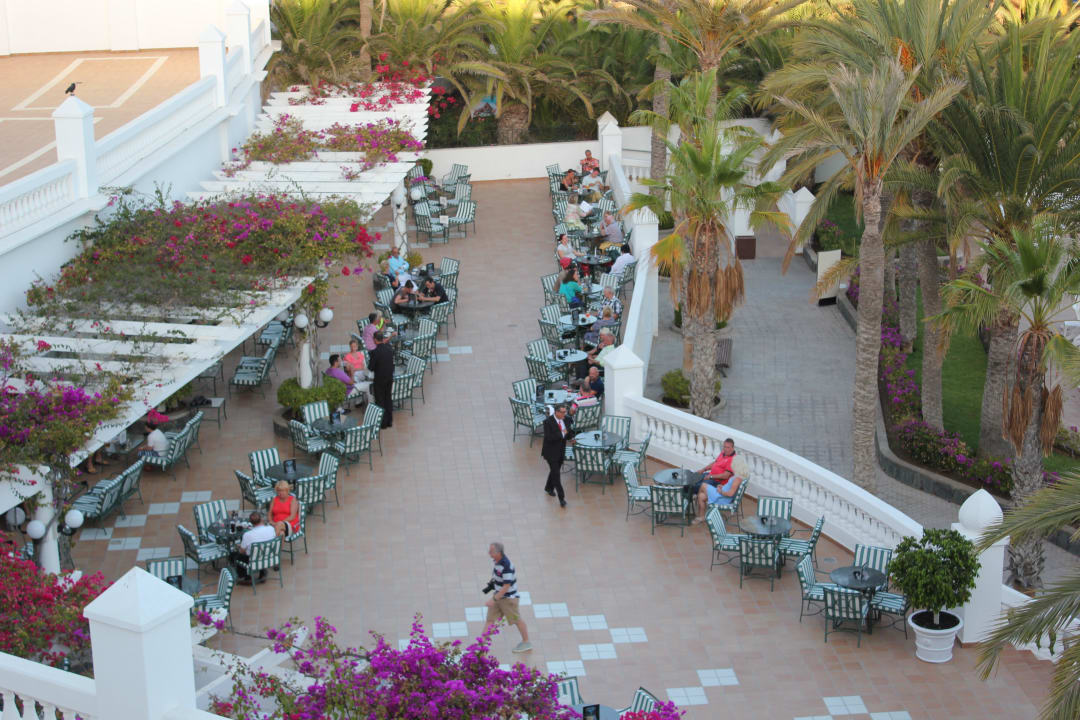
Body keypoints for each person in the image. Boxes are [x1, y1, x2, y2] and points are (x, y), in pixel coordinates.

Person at [484, 542, 532, 652]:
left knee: (516, 620)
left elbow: (506, 586)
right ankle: (481, 646)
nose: (489, 553)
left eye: (491, 551)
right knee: (490, 620)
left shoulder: (506, 566)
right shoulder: (497, 562)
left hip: (508, 599)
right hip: (498, 596)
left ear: (498, 552)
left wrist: (493, 599)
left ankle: (526, 642)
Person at [693, 438, 743, 523]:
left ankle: (695, 498)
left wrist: (711, 477)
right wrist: (703, 469)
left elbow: (726, 477)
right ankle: (701, 516)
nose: (725, 449)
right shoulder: (723, 453)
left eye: (728, 447)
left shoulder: (733, 462)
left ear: (733, 448)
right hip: (716, 482)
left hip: (719, 486)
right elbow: (715, 463)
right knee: (696, 481)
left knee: (701, 486)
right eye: (724, 447)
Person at [541, 404, 574, 507]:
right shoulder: (548, 422)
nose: (565, 414)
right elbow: (549, 437)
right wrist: (562, 433)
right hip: (550, 453)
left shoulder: (566, 419)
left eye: (565, 412)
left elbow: (568, 432)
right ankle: (561, 498)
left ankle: (548, 487)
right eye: (563, 412)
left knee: (554, 471)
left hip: (561, 451)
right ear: (556, 412)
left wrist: (571, 437)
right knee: (556, 475)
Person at [236, 511, 276, 584]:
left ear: (250, 522)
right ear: (261, 519)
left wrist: (239, 546)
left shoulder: (247, 535)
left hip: (254, 560)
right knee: (260, 550)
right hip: (269, 557)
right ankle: (262, 572)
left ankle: (246, 577)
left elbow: (242, 551)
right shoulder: (271, 529)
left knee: (238, 555)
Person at [368, 331, 395, 428]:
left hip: (379, 379)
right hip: (389, 378)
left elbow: (371, 367)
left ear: (375, 340)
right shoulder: (389, 348)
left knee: (380, 400)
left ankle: (383, 423)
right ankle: (389, 421)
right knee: (388, 398)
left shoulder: (375, 352)